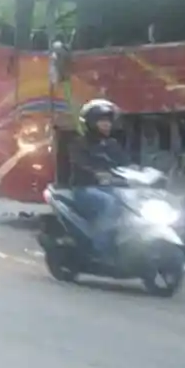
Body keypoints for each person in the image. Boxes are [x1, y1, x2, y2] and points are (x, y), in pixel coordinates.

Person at [69, 99, 129, 255]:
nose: (106, 125)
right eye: (102, 121)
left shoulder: (113, 145)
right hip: (85, 188)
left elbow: (125, 164)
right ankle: (101, 247)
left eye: (108, 121)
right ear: (91, 123)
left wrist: (144, 173)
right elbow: (80, 163)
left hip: (111, 188)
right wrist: (96, 173)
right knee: (109, 203)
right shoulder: (80, 143)